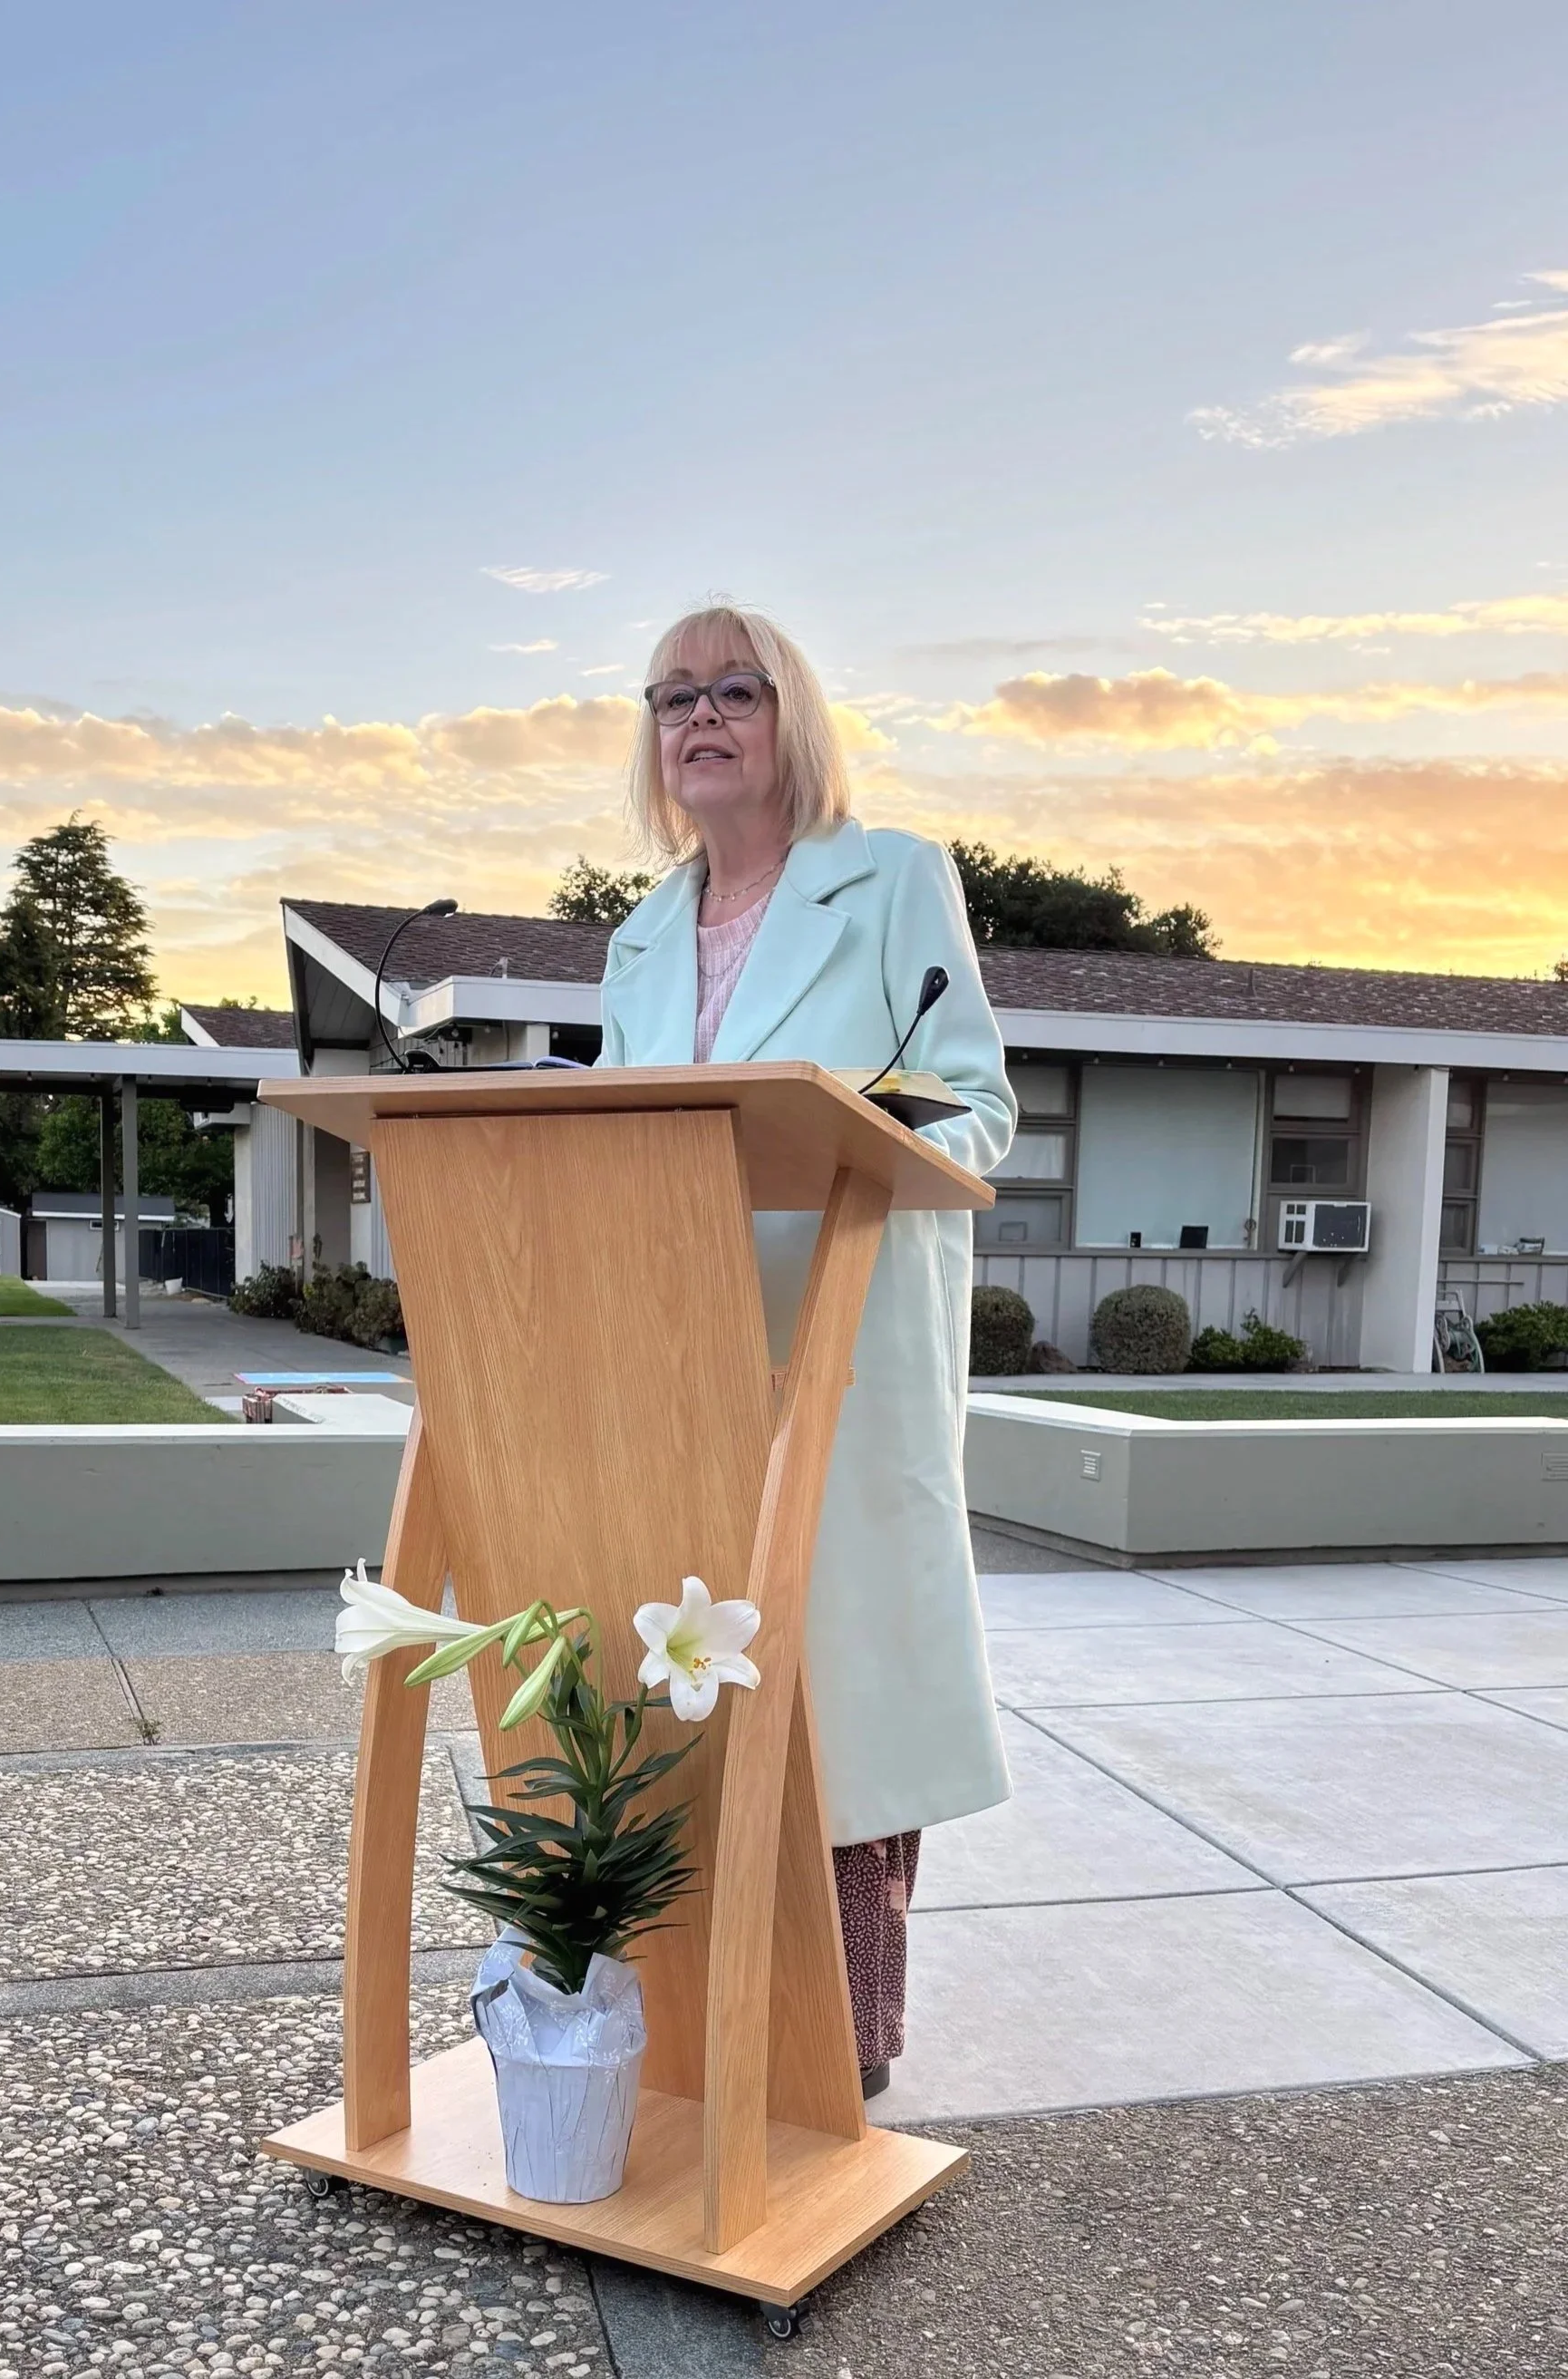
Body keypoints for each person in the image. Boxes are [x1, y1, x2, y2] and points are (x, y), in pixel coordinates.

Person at [597, 603, 1018, 2092]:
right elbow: (615, 1136)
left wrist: (858, 1140)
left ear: (795, 719)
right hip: (679, 1347)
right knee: (689, 1678)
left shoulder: (890, 878)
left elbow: (977, 1107)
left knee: (837, 1687)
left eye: (735, 690)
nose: (699, 719)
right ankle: (691, 2022)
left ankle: (839, 2049)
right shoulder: (640, 933)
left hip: (839, 1344)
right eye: (673, 699)